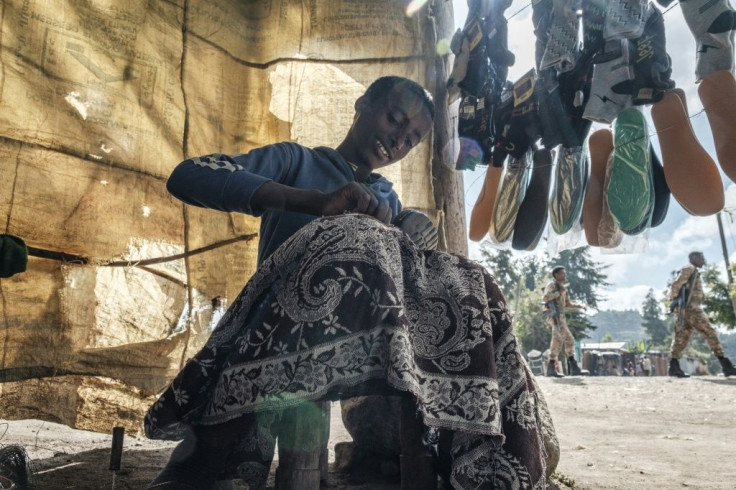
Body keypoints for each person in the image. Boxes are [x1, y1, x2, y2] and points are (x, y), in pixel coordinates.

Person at [144, 77, 550, 489]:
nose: (397, 140)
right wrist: (315, 203)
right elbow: (188, 176)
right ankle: (210, 453)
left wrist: (406, 233)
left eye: (410, 139)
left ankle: (486, 454)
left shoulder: (387, 200)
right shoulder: (296, 161)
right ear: (362, 104)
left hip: (370, 348)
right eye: (394, 119)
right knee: (354, 236)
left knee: (468, 279)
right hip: (280, 335)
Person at [668, 251, 736, 378]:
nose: (703, 261)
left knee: (681, 338)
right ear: (694, 258)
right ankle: (726, 365)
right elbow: (676, 284)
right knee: (710, 332)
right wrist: (675, 301)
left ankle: (673, 366)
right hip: (692, 309)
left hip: (687, 309)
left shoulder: (692, 270)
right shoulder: (689, 268)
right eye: (701, 258)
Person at [543, 265, 586, 377]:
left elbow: (567, 303)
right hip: (554, 316)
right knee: (570, 340)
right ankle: (574, 367)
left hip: (561, 317)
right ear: (556, 274)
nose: (565, 275)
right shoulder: (552, 285)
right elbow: (545, 298)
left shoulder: (563, 288)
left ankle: (551, 369)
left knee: (557, 341)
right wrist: (559, 292)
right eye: (562, 273)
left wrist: (579, 306)